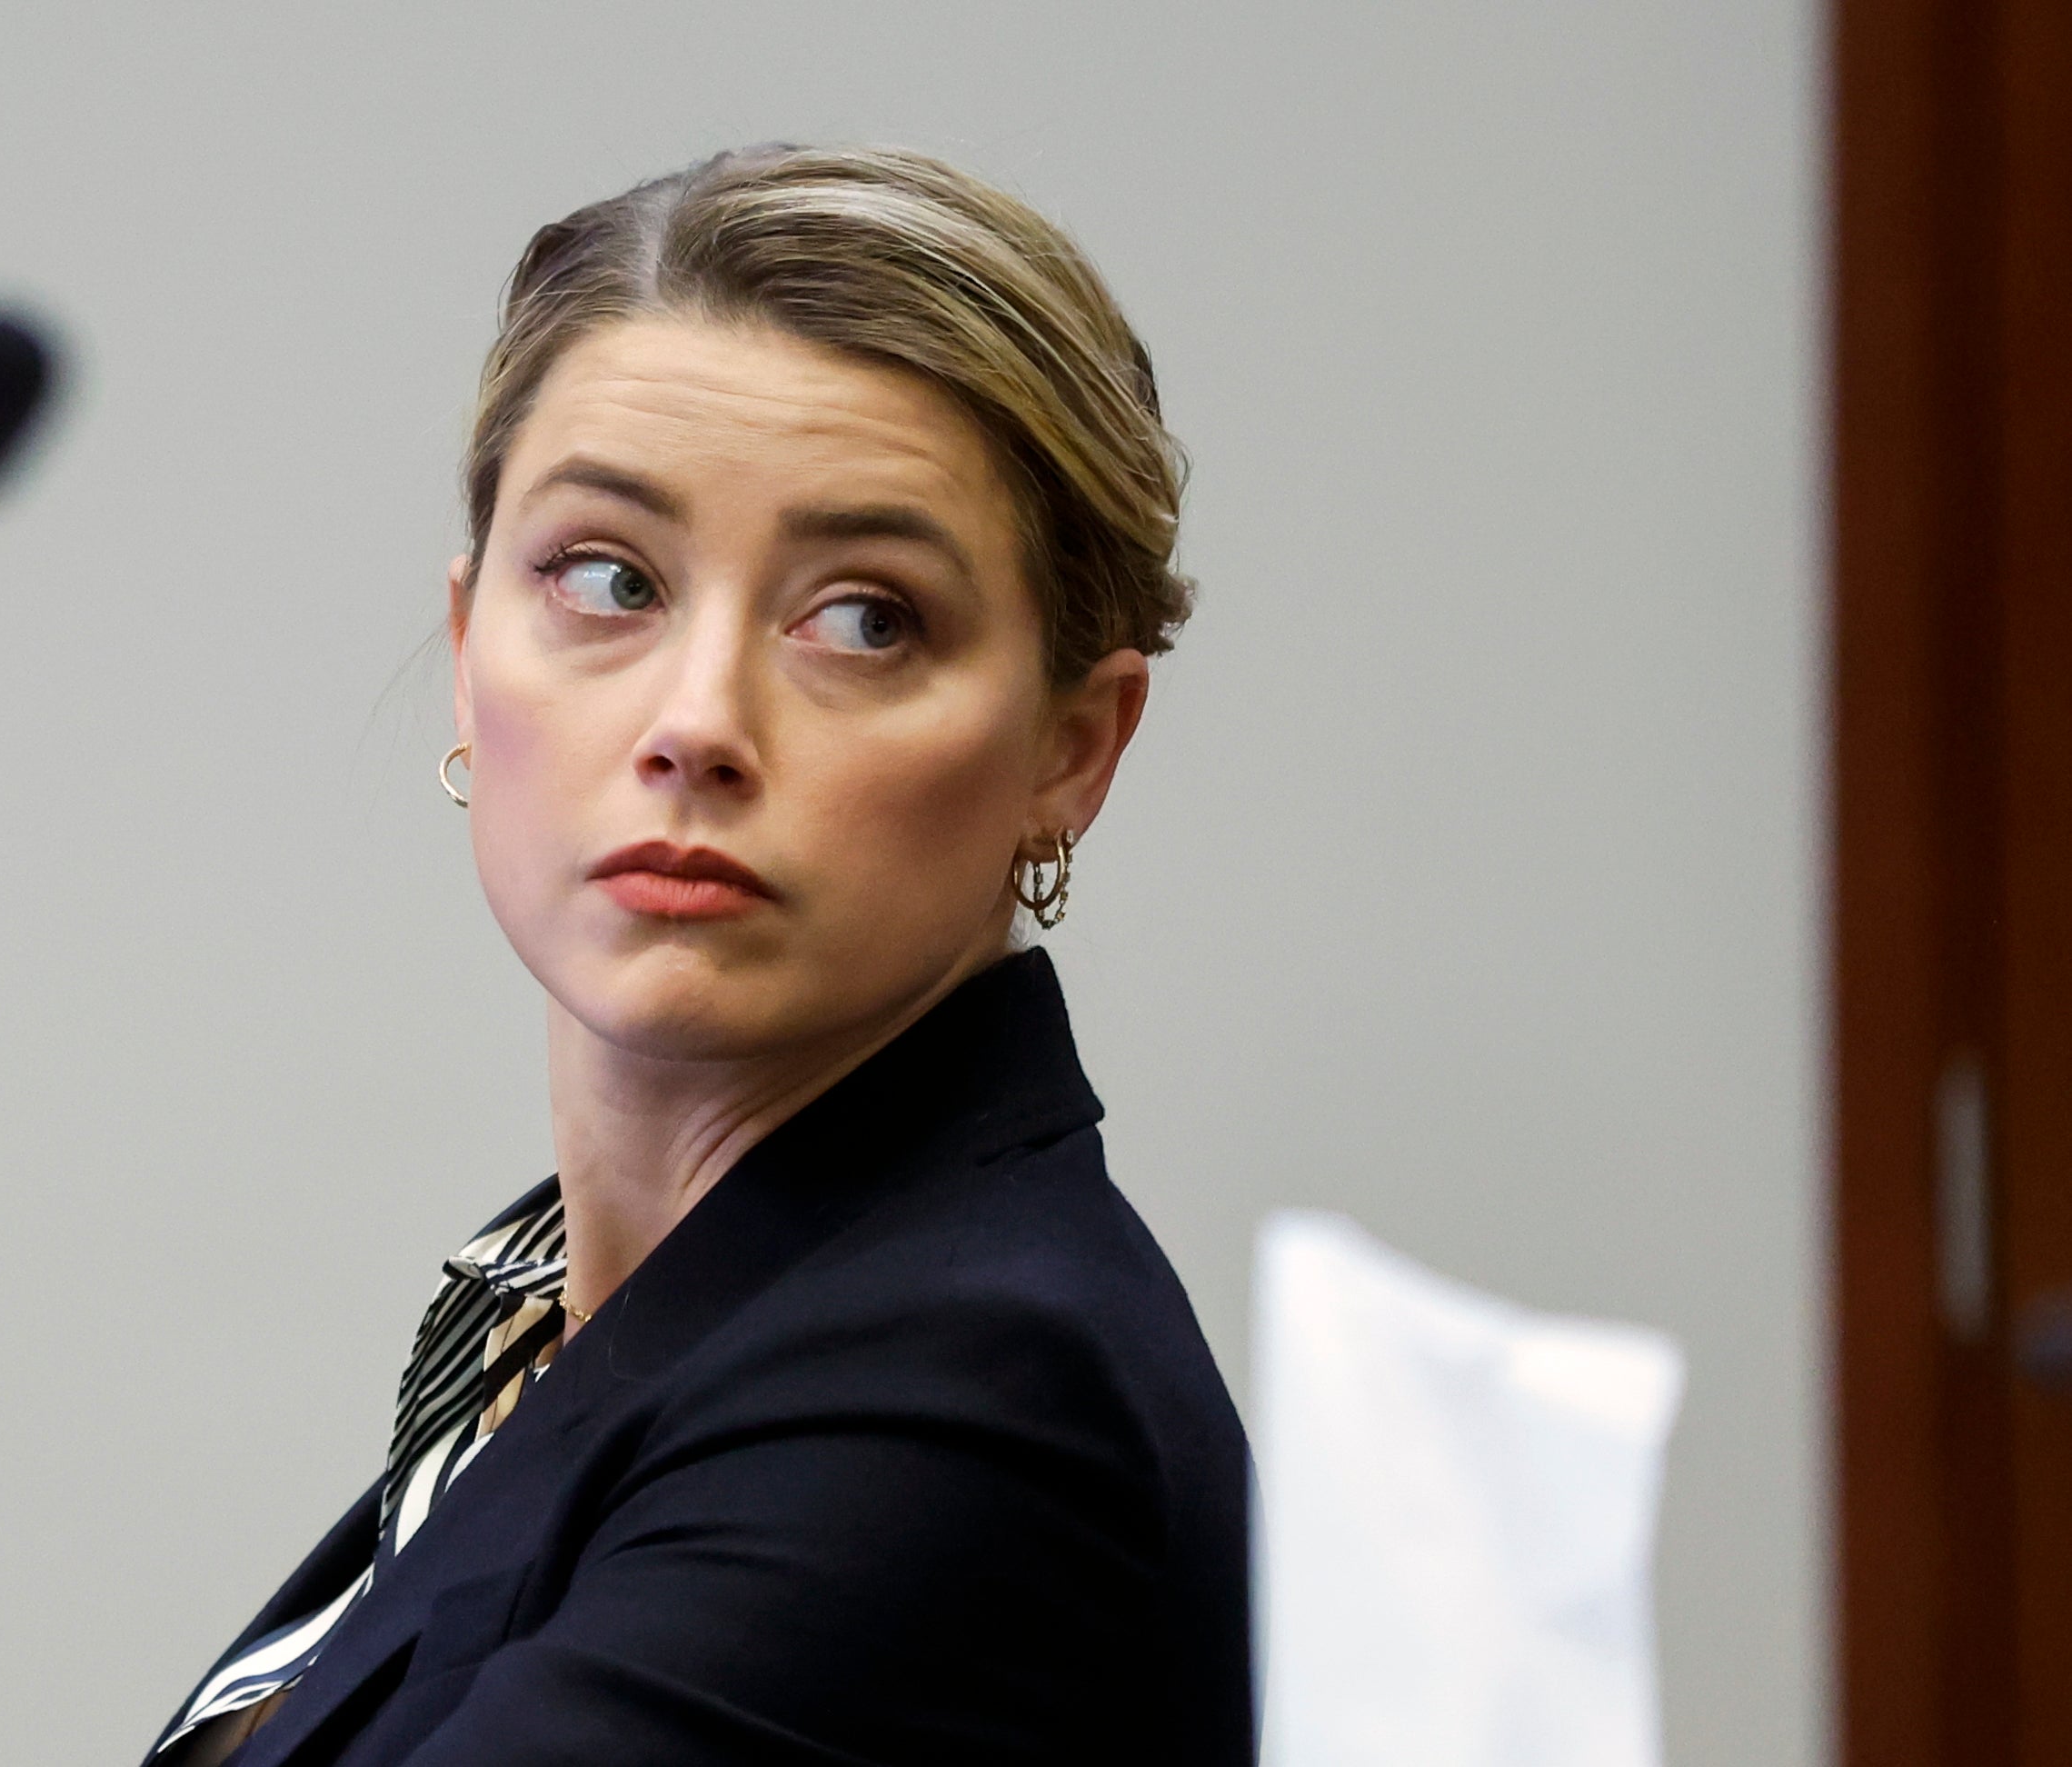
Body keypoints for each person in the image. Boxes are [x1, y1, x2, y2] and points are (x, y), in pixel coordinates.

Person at [143, 145, 1251, 1766]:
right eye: (609, 580)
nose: (696, 725)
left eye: (865, 617)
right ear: (468, 658)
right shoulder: (575, 1327)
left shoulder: (971, 1394)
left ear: (1072, 750)